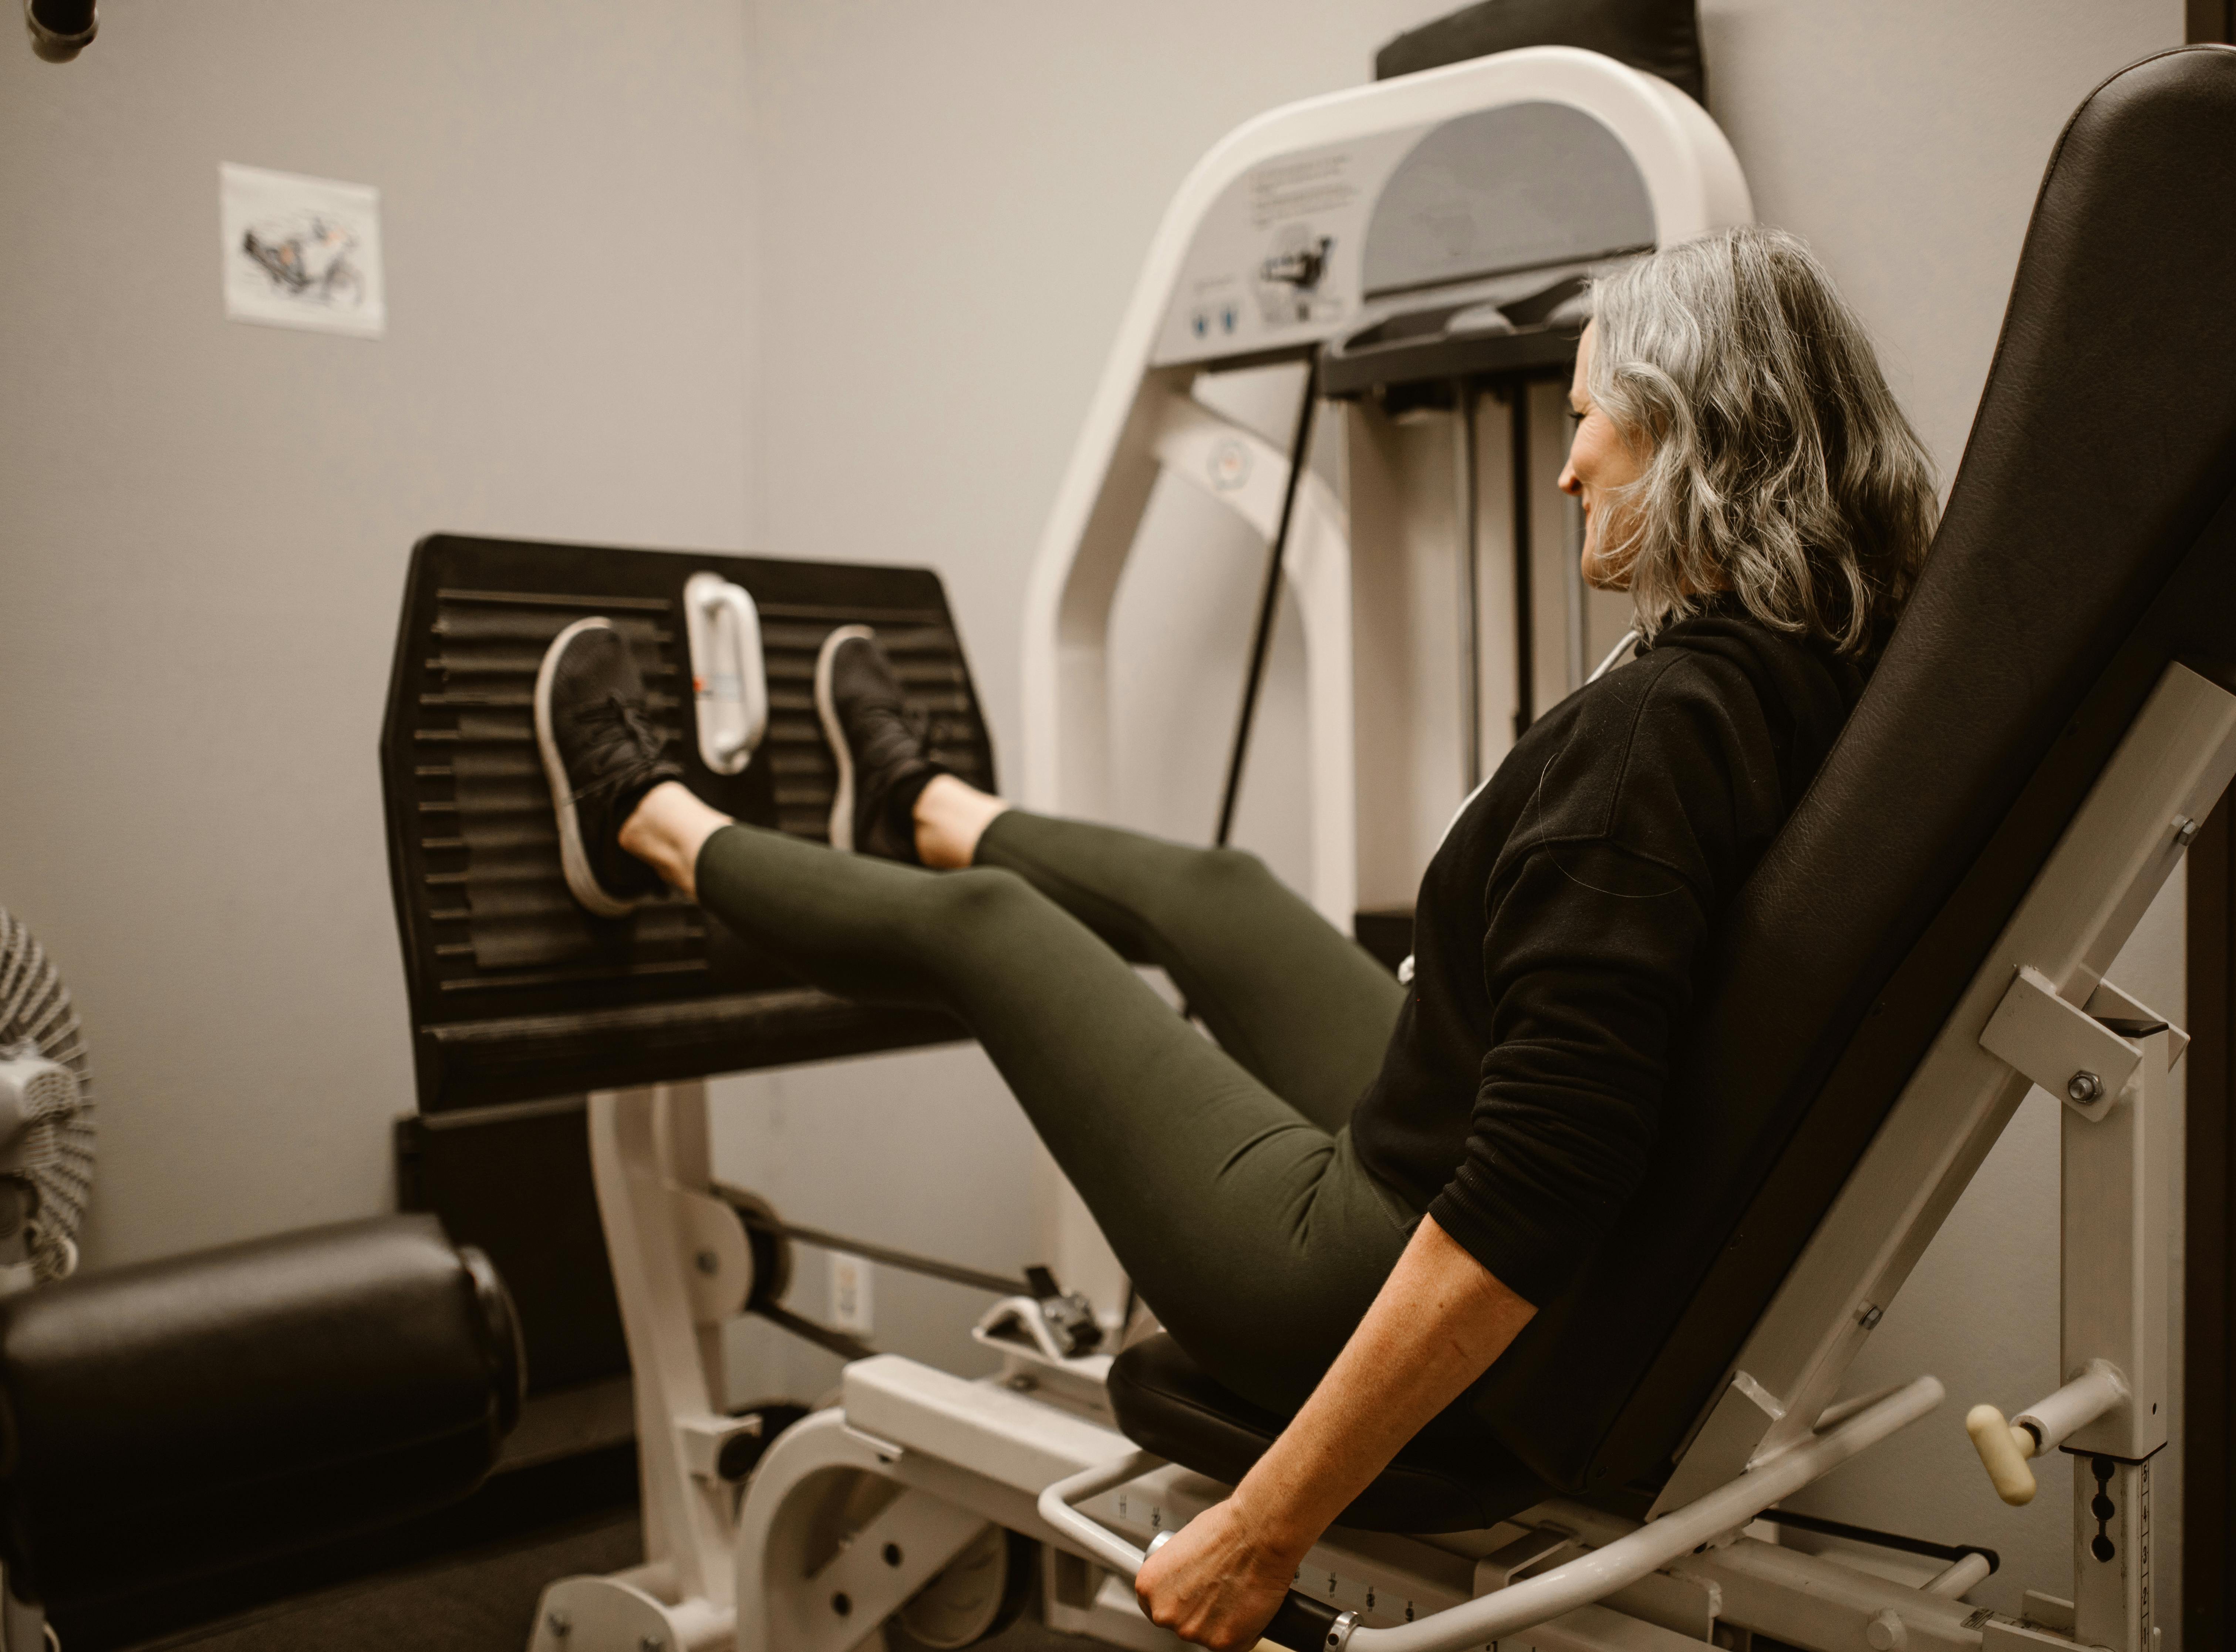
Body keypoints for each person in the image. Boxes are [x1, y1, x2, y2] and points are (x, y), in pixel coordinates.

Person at [534, 225, 1938, 1652]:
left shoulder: (1653, 741)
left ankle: (639, 822)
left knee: (994, 930)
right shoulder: (1809, 661)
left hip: (1350, 1264)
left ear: (1696, 438)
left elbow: (1536, 1197)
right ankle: (924, 800)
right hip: (1434, 1119)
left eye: (1587, 423)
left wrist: (1267, 1525)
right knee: (1223, 888)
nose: (1567, 467)